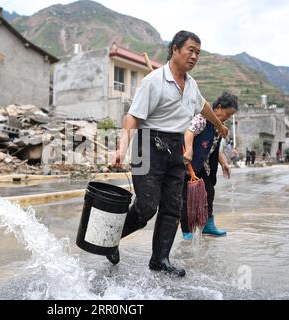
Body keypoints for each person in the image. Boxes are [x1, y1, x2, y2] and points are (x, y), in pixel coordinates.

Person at [109, 31, 228, 277]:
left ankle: (160, 259)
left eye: (198, 52)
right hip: (146, 144)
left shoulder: (192, 85)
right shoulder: (153, 81)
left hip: (175, 147)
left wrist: (219, 125)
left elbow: (204, 106)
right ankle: (111, 238)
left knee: (173, 208)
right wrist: (121, 147)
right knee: (146, 206)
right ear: (174, 49)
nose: (194, 56)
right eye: (190, 50)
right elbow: (132, 116)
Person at [180, 92, 239, 240]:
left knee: (209, 193)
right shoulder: (202, 118)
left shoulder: (219, 128)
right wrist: (189, 149)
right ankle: (187, 230)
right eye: (227, 114)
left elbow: (214, 148)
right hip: (190, 165)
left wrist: (224, 162)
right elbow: (189, 132)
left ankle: (208, 225)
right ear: (218, 108)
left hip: (205, 167)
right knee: (187, 199)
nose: (227, 118)